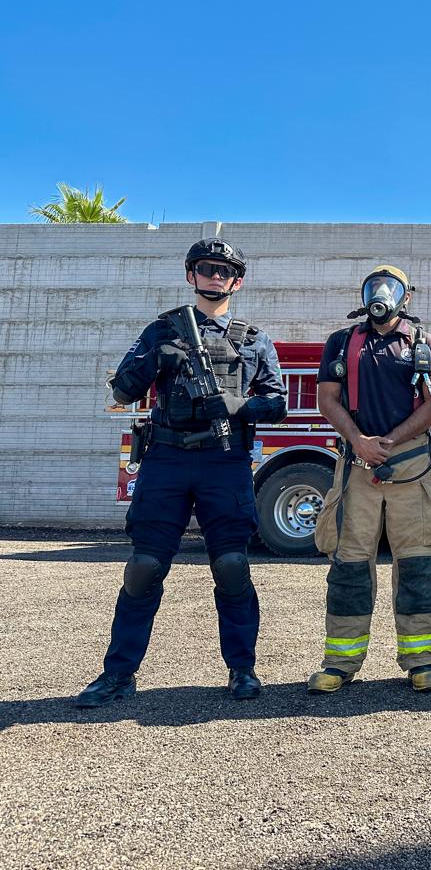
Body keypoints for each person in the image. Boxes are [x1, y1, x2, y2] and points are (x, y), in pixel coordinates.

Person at [74, 238, 286, 708]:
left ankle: (242, 670)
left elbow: (278, 404)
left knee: (232, 567)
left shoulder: (254, 339)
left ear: (238, 281)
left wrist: (238, 404)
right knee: (144, 568)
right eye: (206, 268)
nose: (215, 277)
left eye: (224, 270)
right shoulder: (162, 330)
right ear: (191, 275)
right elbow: (123, 389)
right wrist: (157, 358)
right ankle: (117, 675)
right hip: (167, 460)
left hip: (224, 461)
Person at [306, 266, 431, 694]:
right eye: (375, 286)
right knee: (349, 563)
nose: (382, 293)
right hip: (356, 464)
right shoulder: (342, 342)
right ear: (364, 294)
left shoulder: (426, 344)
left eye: (391, 287)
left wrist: (387, 440)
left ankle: (422, 660)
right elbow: (327, 398)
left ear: (406, 297)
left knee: (417, 564)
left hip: (410, 466)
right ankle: (340, 662)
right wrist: (358, 440)